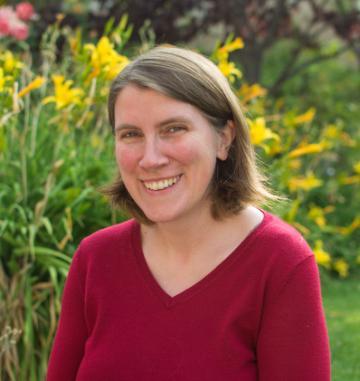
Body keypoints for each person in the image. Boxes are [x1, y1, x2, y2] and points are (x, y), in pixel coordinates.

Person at [46, 46, 331, 381]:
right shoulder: (95, 258)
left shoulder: (279, 261)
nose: (150, 158)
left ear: (224, 138)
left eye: (173, 129)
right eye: (131, 134)